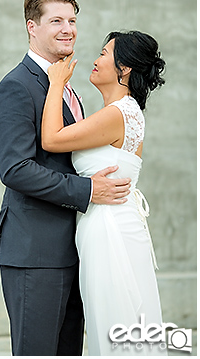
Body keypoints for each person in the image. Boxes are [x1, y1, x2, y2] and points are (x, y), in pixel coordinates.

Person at [0, 0, 132, 356]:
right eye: (56, 21)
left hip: (75, 249)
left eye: (72, 21)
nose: (68, 28)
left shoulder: (69, 91)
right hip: (35, 251)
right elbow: (16, 169)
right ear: (31, 27)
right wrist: (87, 191)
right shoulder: (16, 88)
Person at [41, 31, 166, 355]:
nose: (95, 60)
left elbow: (52, 140)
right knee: (117, 321)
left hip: (110, 228)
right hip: (109, 224)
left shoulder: (117, 113)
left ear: (123, 68)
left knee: (114, 322)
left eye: (103, 53)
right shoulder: (121, 110)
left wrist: (56, 83)